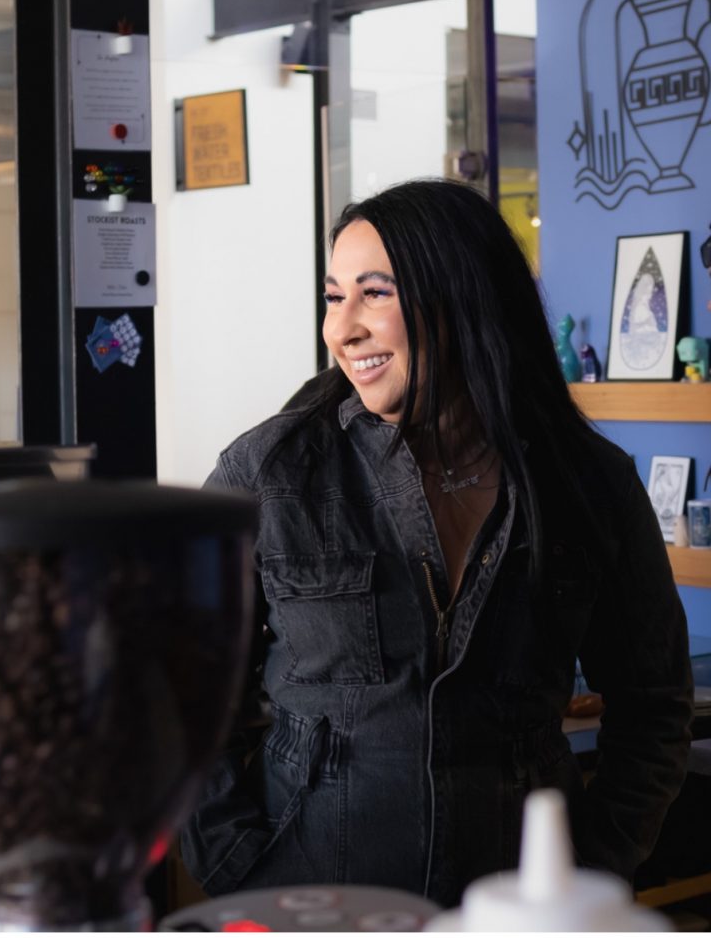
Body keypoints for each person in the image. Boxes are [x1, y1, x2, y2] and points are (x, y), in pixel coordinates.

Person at [180, 178, 693, 908]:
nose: (341, 329)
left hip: (519, 909)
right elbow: (178, 691)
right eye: (334, 297)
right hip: (305, 901)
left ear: (464, 300)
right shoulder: (268, 473)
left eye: (374, 294)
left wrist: (595, 868)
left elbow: (654, 703)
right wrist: (239, 865)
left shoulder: (588, 484)